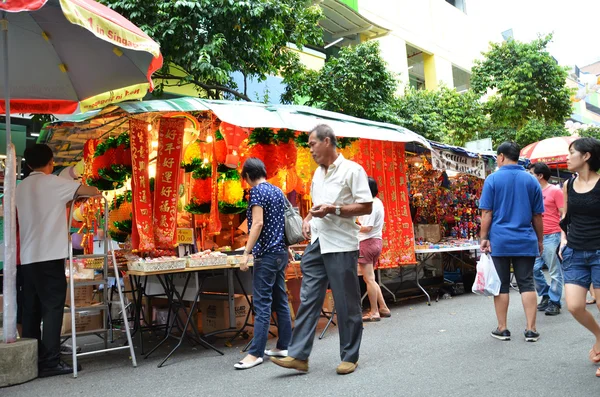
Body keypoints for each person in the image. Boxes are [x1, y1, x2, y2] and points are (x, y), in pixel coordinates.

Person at [270, 124, 373, 375]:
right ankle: (298, 355)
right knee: (308, 298)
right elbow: (318, 206)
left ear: (327, 141)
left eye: (312, 144)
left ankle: (350, 356)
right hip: (318, 242)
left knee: (346, 302)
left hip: (340, 244)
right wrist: (307, 219)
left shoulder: (352, 170)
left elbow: (366, 206)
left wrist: (333, 209)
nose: (310, 149)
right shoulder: (317, 174)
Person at [16, 144, 99, 377]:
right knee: (52, 308)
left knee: (31, 309)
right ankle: (51, 361)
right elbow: (90, 190)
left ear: (29, 164)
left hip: (28, 257)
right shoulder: (53, 182)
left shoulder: (20, 188)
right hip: (50, 256)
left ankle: (32, 358)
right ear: (51, 161)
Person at [479, 142, 544, 343]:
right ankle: (531, 330)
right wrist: (540, 240)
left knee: (502, 285)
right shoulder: (531, 180)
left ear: (500, 157)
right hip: (525, 240)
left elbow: (487, 212)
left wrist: (484, 237)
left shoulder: (492, 180)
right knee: (526, 283)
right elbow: (537, 216)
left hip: (500, 240)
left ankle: (503, 328)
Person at [234, 158, 292, 370]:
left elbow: (257, 223)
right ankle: (284, 345)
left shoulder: (257, 192)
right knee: (281, 299)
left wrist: (246, 252)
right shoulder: (277, 191)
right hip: (280, 252)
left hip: (266, 255)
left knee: (262, 303)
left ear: (248, 176)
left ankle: (256, 353)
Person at [558, 137, 600, 378]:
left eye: (571, 152)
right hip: (575, 250)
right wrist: (564, 239)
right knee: (574, 305)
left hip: (599, 251)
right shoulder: (567, 185)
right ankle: (599, 336)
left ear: (586, 156)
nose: (567, 156)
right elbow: (566, 218)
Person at [527, 163, 564, 316]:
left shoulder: (555, 191)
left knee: (554, 271)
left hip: (552, 235)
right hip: (535, 236)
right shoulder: (531, 192)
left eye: (531, 173)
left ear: (540, 176)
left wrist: (564, 237)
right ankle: (546, 294)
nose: (529, 176)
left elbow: (563, 214)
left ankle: (555, 302)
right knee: (533, 269)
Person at [358, 177, 391, 322]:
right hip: (375, 241)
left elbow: (367, 228)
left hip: (367, 242)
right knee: (370, 278)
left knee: (369, 279)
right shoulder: (378, 202)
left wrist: (352, 224)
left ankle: (374, 311)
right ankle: (383, 307)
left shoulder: (371, 205)